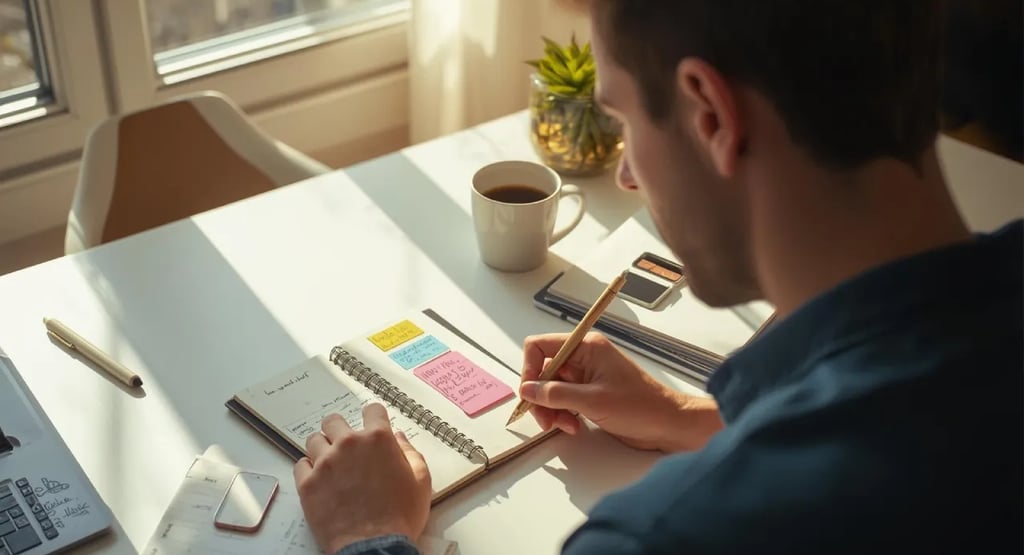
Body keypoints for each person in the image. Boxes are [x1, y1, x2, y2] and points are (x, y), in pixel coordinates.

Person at [292, 1, 1024, 553]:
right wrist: (689, 417)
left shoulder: (667, 533)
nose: (627, 176)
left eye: (623, 120)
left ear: (711, 115)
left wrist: (369, 536)